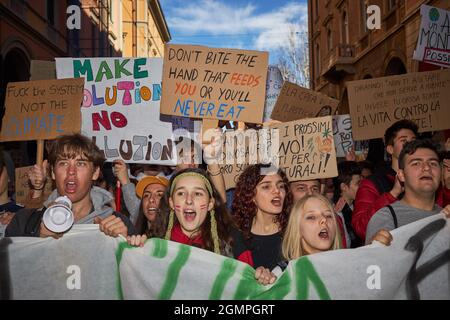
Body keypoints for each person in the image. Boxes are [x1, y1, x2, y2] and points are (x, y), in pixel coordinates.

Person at [6, 133, 136, 238]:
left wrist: (122, 243)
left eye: (80, 163)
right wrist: (36, 237)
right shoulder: (24, 222)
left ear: (95, 173)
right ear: (52, 172)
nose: (71, 171)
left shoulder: (118, 223)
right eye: (63, 163)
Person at [365, 139, 446, 245]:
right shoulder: (386, 218)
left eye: (433, 163)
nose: (427, 168)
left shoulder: (446, 216)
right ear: (401, 175)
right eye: (416, 163)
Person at [352, 119, 418, 241]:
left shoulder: (425, 179)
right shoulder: (372, 183)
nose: (410, 145)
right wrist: (393, 194)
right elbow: (361, 228)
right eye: (403, 140)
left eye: (414, 141)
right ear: (390, 149)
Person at [255, 194, 341, 285]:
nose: (324, 219)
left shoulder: (348, 267)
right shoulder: (282, 273)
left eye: (328, 216)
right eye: (311, 217)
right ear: (297, 229)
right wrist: (264, 283)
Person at [231, 164, 293, 270]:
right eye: (266, 186)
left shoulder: (295, 230)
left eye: (281, 186)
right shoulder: (235, 236)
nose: (277, 191)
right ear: (251, 196)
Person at [333, 161, 362, 248]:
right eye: (358, 183)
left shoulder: (358, 205)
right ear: (344, 187)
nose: (362, 187)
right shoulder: (336, 213)